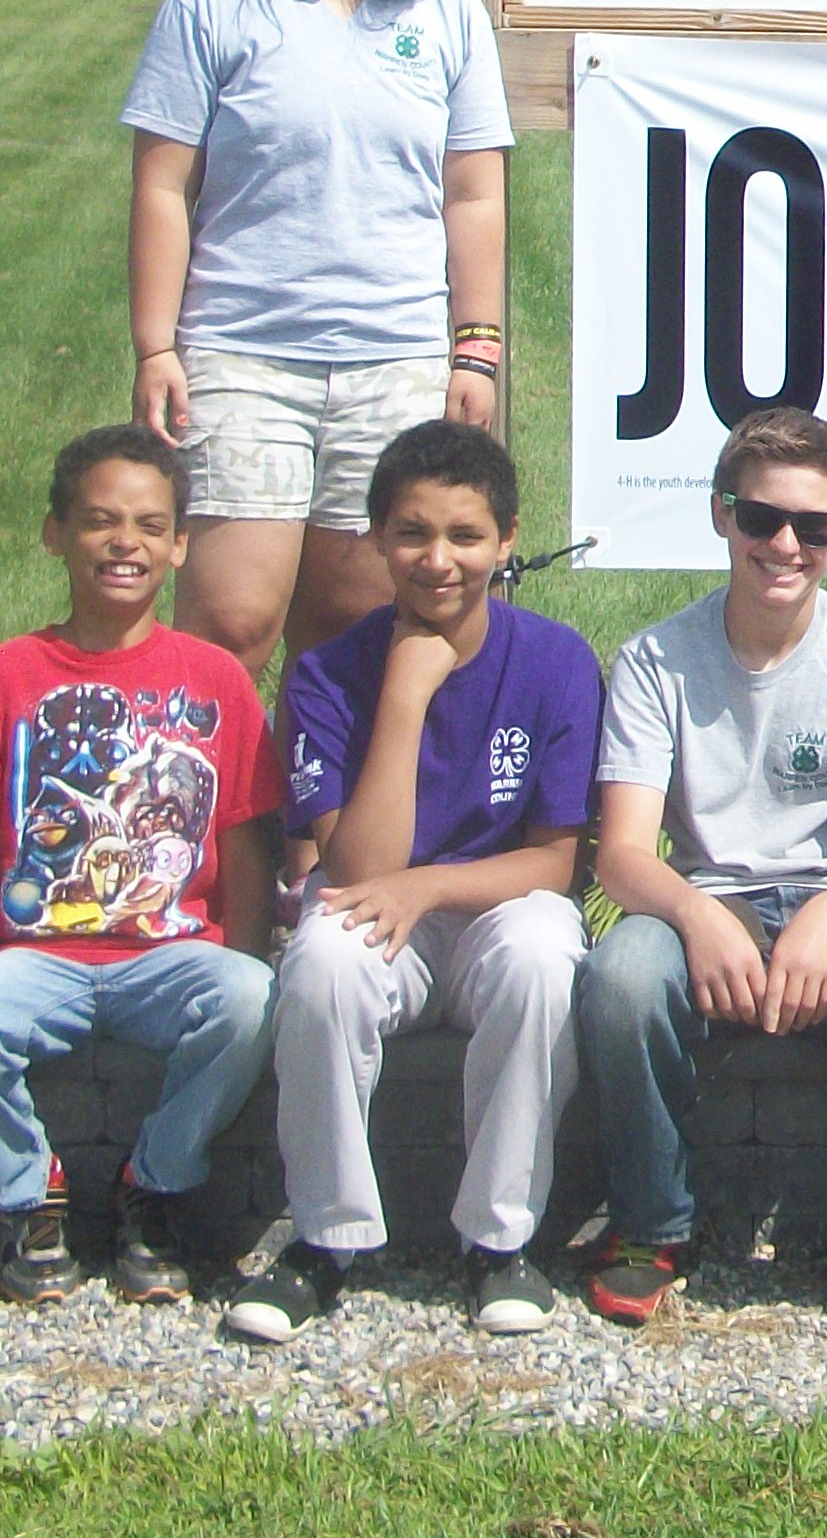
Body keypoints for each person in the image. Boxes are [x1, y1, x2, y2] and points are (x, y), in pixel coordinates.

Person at [122, 0, 511, 678]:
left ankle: (317, 784)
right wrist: (155, 347)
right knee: (231, 625)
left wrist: (477, 349)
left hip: (396, 362)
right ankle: (207, 778)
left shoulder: (445, 9)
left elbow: (474, 196)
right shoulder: (211, 1)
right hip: (241, 357)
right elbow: (162, 186)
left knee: (354, 640)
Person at [576, 407, 827, 1329]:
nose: (785, 544)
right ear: (721, 513)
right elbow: (622, 853)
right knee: (622, 981)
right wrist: (697, 915)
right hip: (706, 892)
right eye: (761, 518)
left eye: (813, 527)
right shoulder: (655, 660)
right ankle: (650, 1222)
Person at [224, 422, 596, 1343]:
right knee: (323, 960)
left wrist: (429, 888)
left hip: (492, 908)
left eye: (466, 536)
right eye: (412, 534)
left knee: (543, 954)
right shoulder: (325, 675)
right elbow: (357, 871)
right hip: (376, 902)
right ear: (376, 537)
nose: (438, 560)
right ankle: (327, 1237)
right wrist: (403, 694)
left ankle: (500, 1240)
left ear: (507, 540)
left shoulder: (556, 661)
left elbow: (555, 863)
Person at [0, 426, 281, 1304]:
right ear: (55, 534)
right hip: (34, 958)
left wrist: (244, 955)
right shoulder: (4, 676)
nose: (126, 543)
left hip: (172, 954)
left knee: (255, 999)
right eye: (100, 521)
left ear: (181, 545)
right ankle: (28, 1194)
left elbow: (245, 846)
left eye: (151, 526)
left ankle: (154, 1184)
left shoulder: (216, 679)